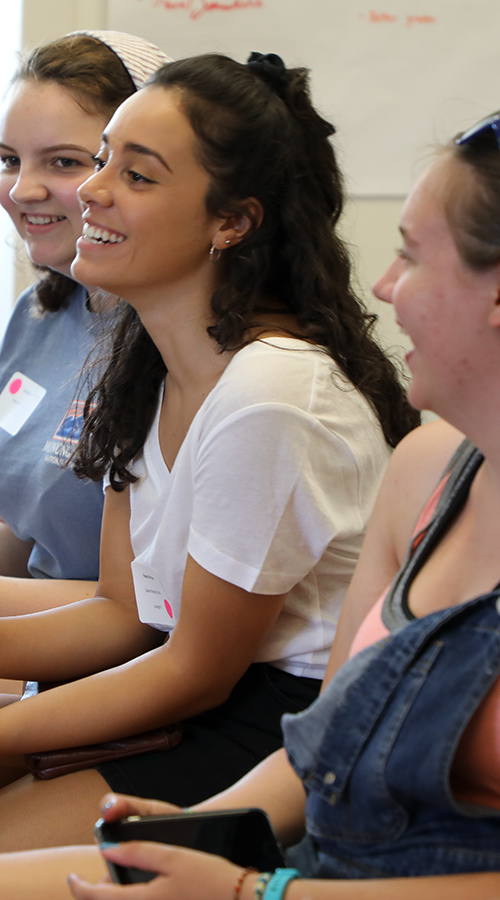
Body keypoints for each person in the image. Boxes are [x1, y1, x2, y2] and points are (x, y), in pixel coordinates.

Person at [45, 106, 500, 900]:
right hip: (300, 850)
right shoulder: (428, 466)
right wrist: (190, 839)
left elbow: (192, 668)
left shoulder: (274, 387)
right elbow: (324, 745)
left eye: (409, 256)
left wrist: (254, 891)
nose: (385, 288)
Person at [0, 52, 417, 851]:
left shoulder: (272, 389)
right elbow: (122, 613)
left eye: (138, 175)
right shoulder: (149, 361)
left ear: (234, 222)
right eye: (101, 162)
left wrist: (15, 727)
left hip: (263, 733)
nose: (92, 188)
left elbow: (196, 669)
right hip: (183, 698)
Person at [0, 30, 170, 616]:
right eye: (8, 160)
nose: (23, 189)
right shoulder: (39, 315)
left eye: (65, 162)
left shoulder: (178, 343)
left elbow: (150, 614)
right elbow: (27, 535)